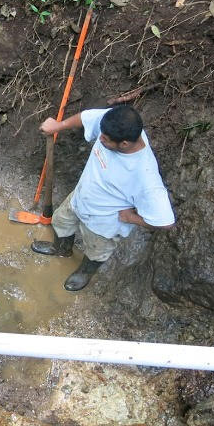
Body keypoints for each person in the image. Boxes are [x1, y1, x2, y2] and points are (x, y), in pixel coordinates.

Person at [30, 105, 175, 291]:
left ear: (124, 144)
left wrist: (130, 218)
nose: (99, 138)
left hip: (104, 223)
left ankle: (84, 272)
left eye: (105, 139)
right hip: (80, 198)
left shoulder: (146, 176)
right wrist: (58, 126)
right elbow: (85, 117)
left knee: (96, 251)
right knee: (60, 221)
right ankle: (61, 249)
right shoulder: (113, 123)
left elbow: (165, 222)